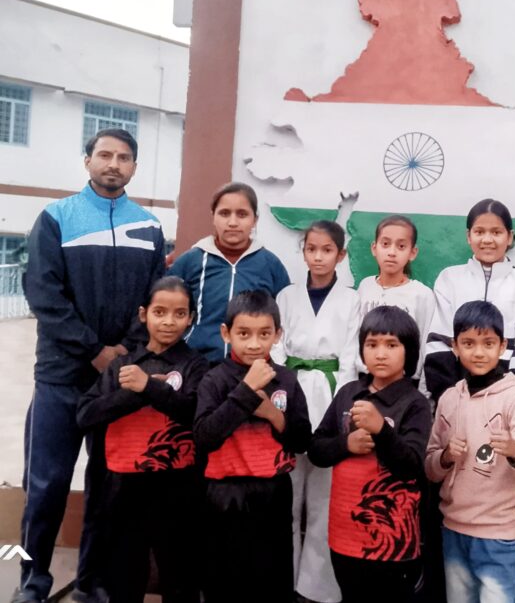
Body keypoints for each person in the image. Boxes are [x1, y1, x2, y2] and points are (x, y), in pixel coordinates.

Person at [15, 128, 165, 603]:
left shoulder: (149, 227)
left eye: (123, 157)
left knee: (107, 487)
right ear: (87, 161)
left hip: (116, 381)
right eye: (104, 155)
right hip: (60, 376)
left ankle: (91, 582)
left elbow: (155, 301)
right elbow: (43, 294)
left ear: (134, 167)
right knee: (46, 486)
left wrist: (126, 350)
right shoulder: (56, 217)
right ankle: (32, 582)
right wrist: (94, 349)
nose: (113, 164)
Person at [77, 276, 208, 603]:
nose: (169, 321)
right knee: (124, 573)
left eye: (179, 313)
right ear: (143, 314)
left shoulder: (195, 365)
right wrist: (132, 394)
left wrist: (150, 388)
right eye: (160, 312)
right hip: (123, 488)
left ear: (191, 318)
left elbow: (195, 413)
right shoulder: (122, 366)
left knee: (179, 574)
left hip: (178, 487)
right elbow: (85, 415)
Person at [193, 290, 311, 603]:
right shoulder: (214, 380)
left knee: (272, 577)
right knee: (224, 577)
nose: (254, 344)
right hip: (224, 493)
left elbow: (302, 440)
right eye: (244, 334)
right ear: (226, 333)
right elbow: (204, 437)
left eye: (264, 334)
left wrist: (273, 415)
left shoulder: (286, 380)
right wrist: (245, 391)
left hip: (273, 490)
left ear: (278, 335)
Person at [309, 306, 432, 602]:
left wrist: (382, 430)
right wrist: (346, 444)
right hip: (344, 535)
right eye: (372, 344)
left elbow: (412, 466)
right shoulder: (348, 393)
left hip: (393, 542)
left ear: (409, 351)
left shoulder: (414, 403)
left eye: (391, 345)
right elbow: (316, 450)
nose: (380, 354)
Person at [425, 301, 515, 603]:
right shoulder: (449, 399)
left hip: (499, 536)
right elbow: (430, 468)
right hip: (453, 530)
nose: (479, 352)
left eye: (488, 343)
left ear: (503, 346)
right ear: (455, 346)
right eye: (468, 343)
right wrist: (445, 457)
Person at [272, 220, 360, 603]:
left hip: (331, 393)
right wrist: (281, 388)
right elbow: (275, 346)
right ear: (303, 251)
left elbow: (352, 358)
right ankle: (283, 581)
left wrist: (341, 410)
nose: (318, 257)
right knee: (286, 497)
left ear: (341, 255)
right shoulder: (286, 296)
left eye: (327, 250)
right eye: (312, 249)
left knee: (324, 500)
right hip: (290, 392)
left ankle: (317, 589)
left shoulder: (353, 300)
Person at [425, 198, 515, 401]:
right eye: (479, 232)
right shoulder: (449, 279)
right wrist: (450, 396)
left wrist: (510, 399)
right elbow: (439, 344)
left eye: (496, 232)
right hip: (455, 394)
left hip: (508, 399)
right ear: (468, 236)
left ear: (510, 237)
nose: (487, 240)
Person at [168, 182, 290, 363]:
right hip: (195, 364)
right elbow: (165, 308)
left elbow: (285, 318)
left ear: (255, 219)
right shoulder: (191, 261)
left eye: (242, 214)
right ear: (213, 216)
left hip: (252, 366)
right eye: (224, 213)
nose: (233, 222)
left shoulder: (270, 264)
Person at [357, 215, 435, 398]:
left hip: (404, 386)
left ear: (412, 252)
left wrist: (422, 393)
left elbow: (426, 346)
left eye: (401, 246)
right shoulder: (365, 287)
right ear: (374, 248)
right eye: (385, 244)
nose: (392, 252)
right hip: (365, 381)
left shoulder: (421, 295)